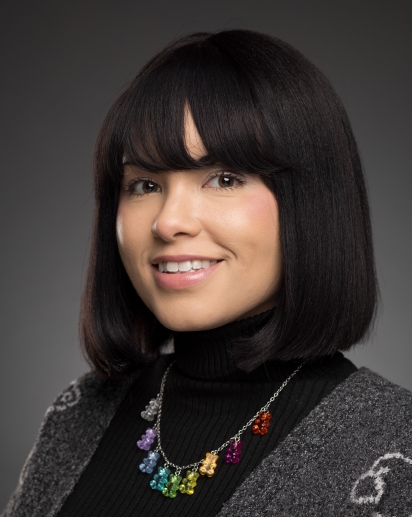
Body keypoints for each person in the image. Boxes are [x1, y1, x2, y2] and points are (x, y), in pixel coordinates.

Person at [2, 29, 411, 517]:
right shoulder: (79, 413)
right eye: (145, 183)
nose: (168, 221)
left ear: (312, 205)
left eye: (224, 179)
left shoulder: (395, 444)